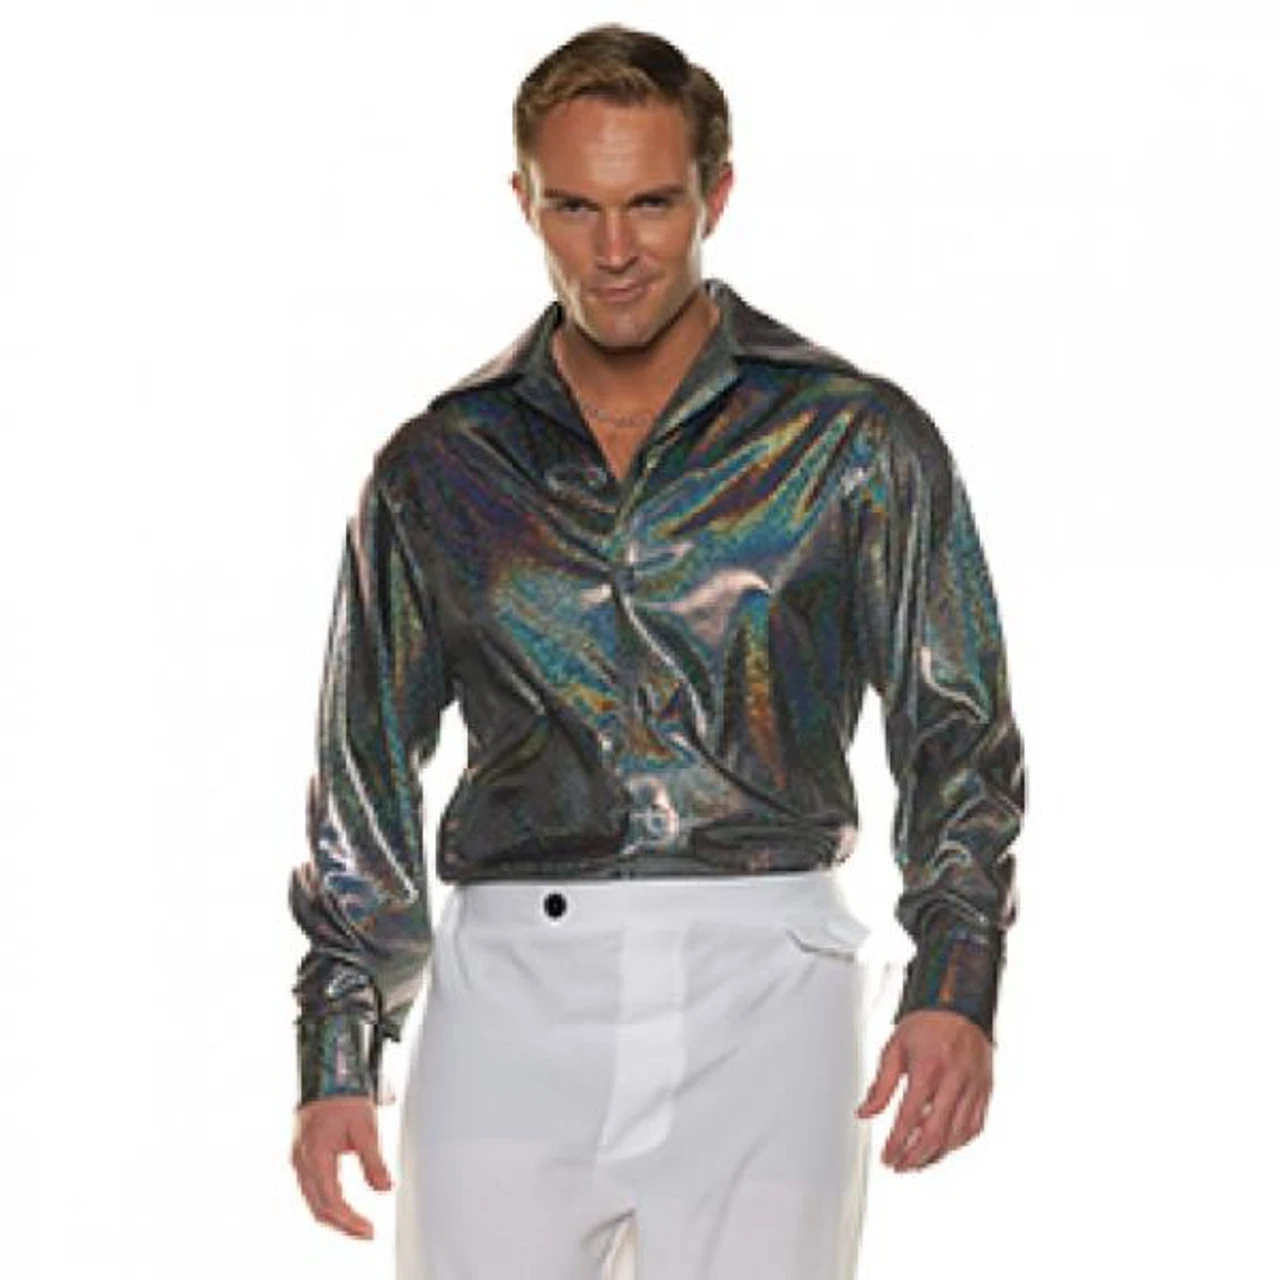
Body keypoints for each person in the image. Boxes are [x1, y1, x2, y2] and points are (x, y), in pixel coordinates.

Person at [287, 22, 1025, 1280]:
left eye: (651, 204)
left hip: (770, 990)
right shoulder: (439, 463)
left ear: (713, 196)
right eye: (573, 206)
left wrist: (955, 977)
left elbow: (956, 731)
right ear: (522, 199)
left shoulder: (852, 440)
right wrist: (338, 1043)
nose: (614, 249)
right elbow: (363, 764)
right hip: (508, 994)